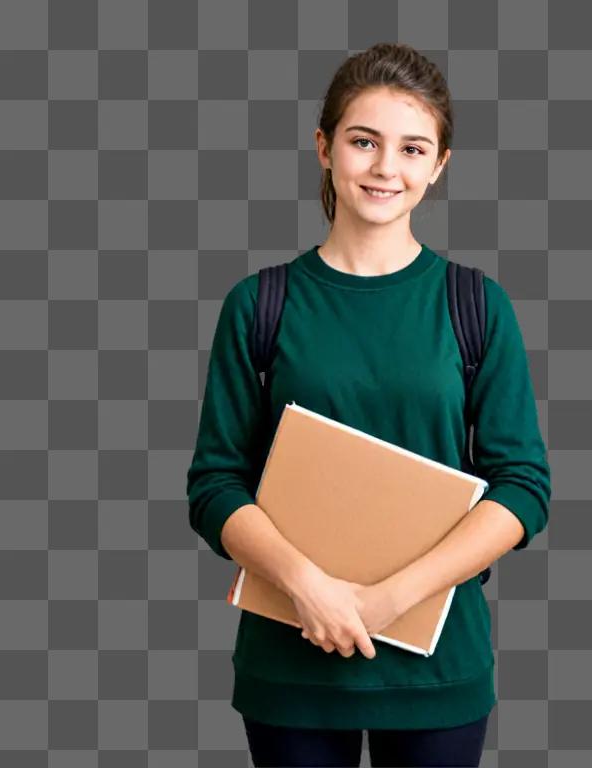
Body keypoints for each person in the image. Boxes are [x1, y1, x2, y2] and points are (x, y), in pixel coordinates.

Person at [186, 42, 552, 767]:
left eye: (413, 148)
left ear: (439, 165)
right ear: (324, 148)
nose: (387, 168)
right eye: (364, 141)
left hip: (436, 668)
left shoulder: (476, 306)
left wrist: (388, 599)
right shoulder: (260, 306)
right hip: (289, 666)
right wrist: (309, 589)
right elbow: (214, 483)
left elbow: (524, 486)